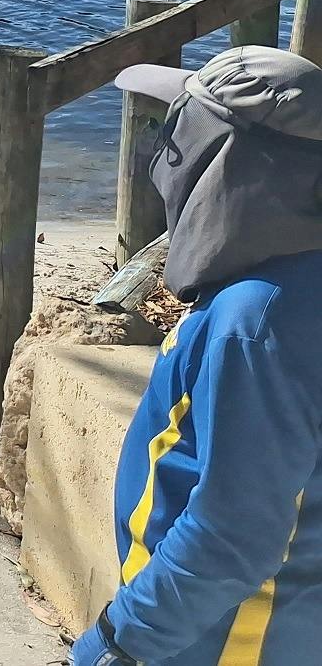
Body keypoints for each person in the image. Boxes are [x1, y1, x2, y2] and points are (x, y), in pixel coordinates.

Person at [71, 45, 322, 666]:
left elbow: (234, 535)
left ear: (221, 159)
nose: (163, 152)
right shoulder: (292, 282)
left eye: (177, 130)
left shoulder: (259, 320)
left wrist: (118, 643)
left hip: (219, 637)